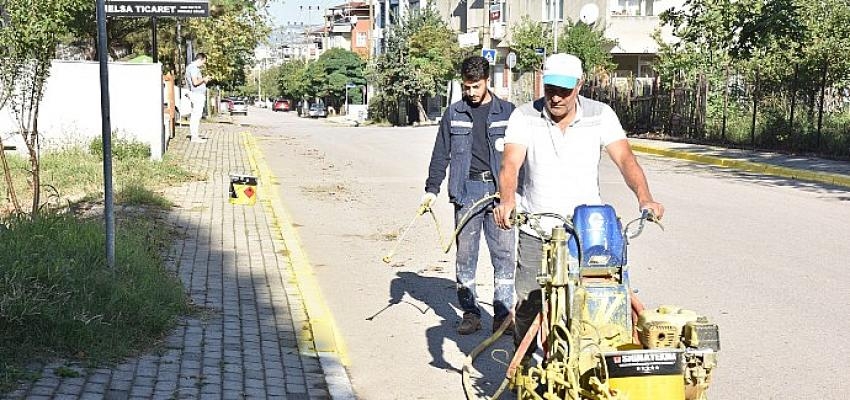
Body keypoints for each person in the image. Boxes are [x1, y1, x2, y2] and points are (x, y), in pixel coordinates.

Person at [492, 53, 665, 357]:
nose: (556, 98)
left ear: (580, 85)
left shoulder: (601, 115)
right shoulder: (524, 116)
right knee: (528, 302)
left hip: (587, 231)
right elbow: (510, 165)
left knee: (599, 297)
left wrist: (644, 197)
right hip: (537, 225)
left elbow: (625, 159)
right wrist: (507, 200)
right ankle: (523, 366)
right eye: (550, 89)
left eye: (564, 90)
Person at [422, 56, 517, 335]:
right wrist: (431, 189)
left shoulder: (508, 113)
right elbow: (441, 154)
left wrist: (515, 195)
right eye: (467, 87)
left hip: (500, 193)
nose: (471, 93)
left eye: (476, 86)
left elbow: (519, 157)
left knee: (504, 256)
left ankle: (503, 315)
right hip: (467, 192)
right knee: (466, 256)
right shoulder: (454, 114)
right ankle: (471, 313)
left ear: (487, 81)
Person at [185, 52, 210, 143]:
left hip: (195, 94)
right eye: (203, 62)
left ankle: (194, 135)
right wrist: (204, 79)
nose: (203, 64)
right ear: (200, 59)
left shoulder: (191, 68)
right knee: (196, 116)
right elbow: (195, 82)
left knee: (195, 115)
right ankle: (194, 137)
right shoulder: (193, 68)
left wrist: (203, 81)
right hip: (197, 95)